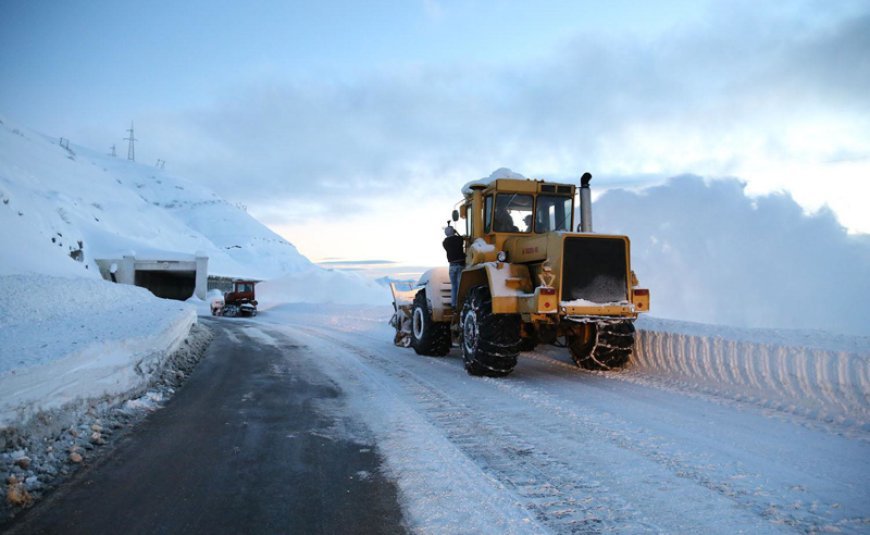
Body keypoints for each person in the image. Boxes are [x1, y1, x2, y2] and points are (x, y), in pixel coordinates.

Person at [442, 225, 465, 309]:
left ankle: (453, 304)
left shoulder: (444, 242)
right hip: (460, 265)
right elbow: (462, 239)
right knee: (460, 285)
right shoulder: (458, 239)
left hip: (451, 266)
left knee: (454, 286)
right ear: (453, 231)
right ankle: (460, 303)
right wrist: (456, 231)